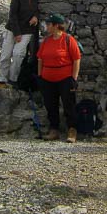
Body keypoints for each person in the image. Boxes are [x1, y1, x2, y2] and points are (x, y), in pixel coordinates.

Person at [37, 13, 82, 143]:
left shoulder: (68, 39)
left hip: (65, 78)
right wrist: (40, 76)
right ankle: (54, 130)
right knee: (50, 105)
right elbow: (40, 59)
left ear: (56, 25)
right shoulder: (46, 41)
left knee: (69, 105)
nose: (46, 26)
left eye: (48, 24)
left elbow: (76, 59)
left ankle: (72, 130)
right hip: (47, 79)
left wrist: (74, 78)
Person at [0, 0, 40, 88]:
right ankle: (2, 79)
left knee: (18, 54)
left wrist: (36, 16)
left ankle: (13, 79)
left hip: (28, 29)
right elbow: (13, 14)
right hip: (13, 28)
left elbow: (40, 8)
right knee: (6, 54)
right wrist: (17, 33)